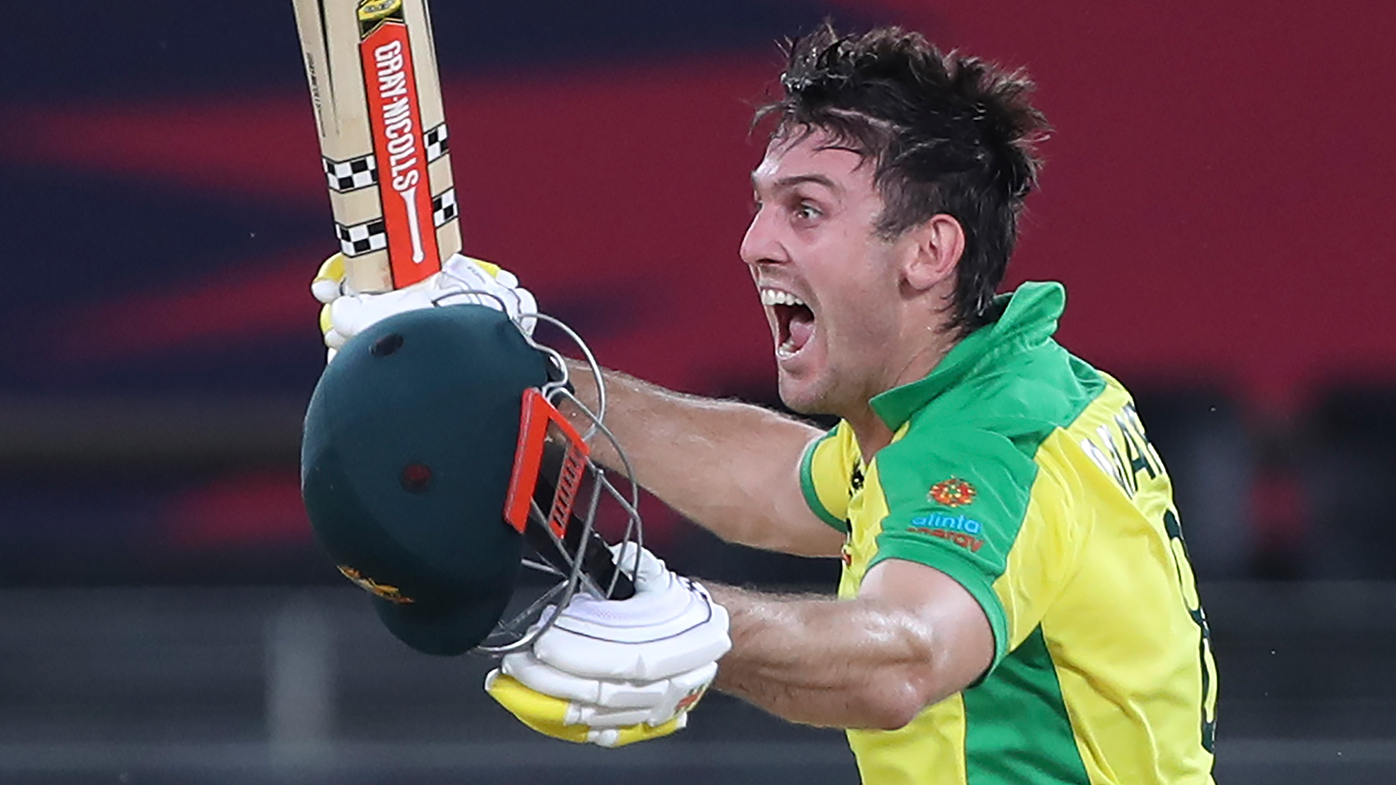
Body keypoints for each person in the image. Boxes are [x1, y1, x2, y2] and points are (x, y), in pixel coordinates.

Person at [316, 22, 1218, 785]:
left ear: (930, 251)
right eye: (763, 205)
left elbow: (906, 651)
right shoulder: (976, 399)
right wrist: (537, 376)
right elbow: (781, 486)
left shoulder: (992, 440)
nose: (753, 244)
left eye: (807, 211)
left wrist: (701, 627)